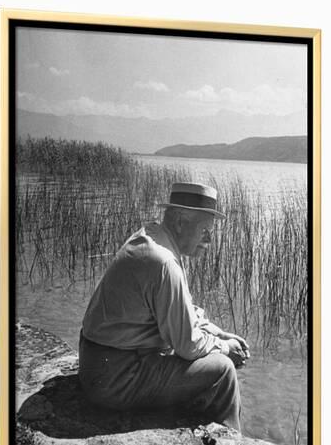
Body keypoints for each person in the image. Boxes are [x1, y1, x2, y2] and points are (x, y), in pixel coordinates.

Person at [78, 182, 249, 431]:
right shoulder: (165, 263)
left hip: (96, 366)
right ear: (180, 221)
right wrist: (225, 348)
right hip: (113, 381)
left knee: (198, 355)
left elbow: (179, 310)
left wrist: (217, 332)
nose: (210, 239)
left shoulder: (150, 237)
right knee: (223, 371)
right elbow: (188, 346)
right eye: (204, 230)